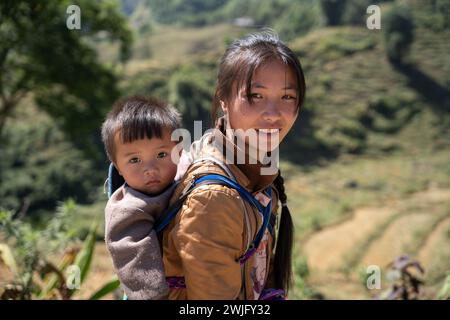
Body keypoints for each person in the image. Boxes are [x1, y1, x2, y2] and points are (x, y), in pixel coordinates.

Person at [161, 31, 306, 300]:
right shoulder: (215, 198)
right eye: (256, 96)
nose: (273, 114)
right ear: (223, 100)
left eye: (287, 97)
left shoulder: (257, 171)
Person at [101, 96, 182, 299]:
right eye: (135, 160)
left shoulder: (186, 175)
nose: (150, 169)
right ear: (117, 166)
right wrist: (153, 294)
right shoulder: (128, 209)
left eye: (162, 155)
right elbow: (134, 259)